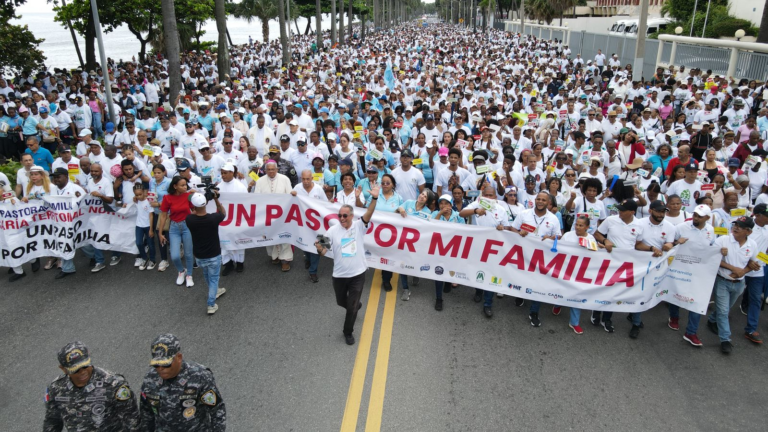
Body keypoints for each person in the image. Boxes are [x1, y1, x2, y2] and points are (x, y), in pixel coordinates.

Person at [315, 184, 379, 345]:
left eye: (345, 216)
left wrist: (375, 198)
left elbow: (369, 213)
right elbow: (323, 252)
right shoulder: (331, 231)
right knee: (341, 302)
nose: (342, 218)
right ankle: (356, 305)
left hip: (358, 274)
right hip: (339, 275)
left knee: (351, 307)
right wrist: (318, 248)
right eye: (340, 216)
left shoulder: (359, 226)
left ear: (351, 216)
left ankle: (348, 332)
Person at [44, 341, 140, 431]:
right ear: (63, 369)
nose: (83, 372)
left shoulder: (114, 385)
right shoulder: (56, 389)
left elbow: (132, 422)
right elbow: (52, 422)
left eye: (85, 366)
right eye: (76, 370)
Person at [139, 334, 226, 429]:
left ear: (179, 357)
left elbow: (217, 410)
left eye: (166, 365)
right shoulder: (150, 379)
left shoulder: (199, 376)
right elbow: (146, 414)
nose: (160, 369)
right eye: (156, 365)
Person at [707, 216, 760, 354]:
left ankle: (712, 319)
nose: (736, 228)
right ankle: (725, 340)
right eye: (735, 224)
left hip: (739, 284)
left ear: (748, 232)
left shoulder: (752, 244)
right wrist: (733, 268)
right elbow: (712, 258)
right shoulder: (723, 240)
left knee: (724, 308)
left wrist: (742, 271)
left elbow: (754, 264)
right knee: (724, 311)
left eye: (741, 227)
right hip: (722, 281)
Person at [458, 185, 512, 316]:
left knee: (491, 274)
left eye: (491, 196)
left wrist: (502, 227)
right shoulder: (476, 204)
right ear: (482, 196)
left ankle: (488, 303)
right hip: (477, 246)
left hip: (494, 248)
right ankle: (478, 290)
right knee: (478, 271)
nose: (488, 198)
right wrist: (476, 211)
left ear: (495, 197)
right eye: (486, 195)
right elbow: (461, 213)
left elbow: (508, 227)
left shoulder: (501, 209)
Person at [510, 191, 562, 326]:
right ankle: (520, 295)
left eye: (543, 200)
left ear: (548, 203)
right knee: (522, 277)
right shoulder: (524, 214)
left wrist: (551, 238)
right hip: (523, 253)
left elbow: (558, 236)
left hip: (542, 257)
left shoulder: (553, 218)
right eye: (538, 199)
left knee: (538, 283)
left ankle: (534, 312)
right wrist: (518, 232)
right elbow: (512, 229)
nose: (540, 201)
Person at [593, 199, 643, 332]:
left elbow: (638, 244)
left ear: (632, 212)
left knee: (614, 292)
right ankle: (596, 311)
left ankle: (607, 318)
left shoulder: (639, 225)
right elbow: (597, 233)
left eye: (623, 210)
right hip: (608, 260)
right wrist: (605, 240)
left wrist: (652, 249)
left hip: (625, 264)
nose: (619, 211)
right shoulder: (610, 220)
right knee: (602, 288)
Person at [672, 204, 716, 347]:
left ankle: (691, 332)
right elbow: (669, 244)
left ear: (707, 218)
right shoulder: (681, 227)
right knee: (675, 294)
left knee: (697, 300)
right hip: (680, 268)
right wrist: (676, 242)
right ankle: (674, 317)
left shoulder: (710, 230)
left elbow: (711, 248)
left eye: (700, 216)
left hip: (699, 271)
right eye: (695, 214)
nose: (696, 218)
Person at [632, 200, 676, 339]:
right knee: (640, 293)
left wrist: (669, 244)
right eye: (658, 211)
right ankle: (636, 323)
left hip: (658, 265)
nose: (661, 214)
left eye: (663, 212)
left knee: (647, 292)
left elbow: (669, 242)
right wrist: (651, 248)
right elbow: (637, 244)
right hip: (640, 262)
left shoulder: (669, 226)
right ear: (650, 210)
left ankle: (633, 315)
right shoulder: (640, 223)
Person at [186, 192, 228, 314]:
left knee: (207, 276)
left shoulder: (190, 219)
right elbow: (223, 213)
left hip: (199, 256)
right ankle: (211, 304)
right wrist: (215, 199)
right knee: (214, 278)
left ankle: (215, 291)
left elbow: (194, 213)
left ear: (193, 206)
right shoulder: (213, 218)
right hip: (214, 254)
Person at [559, 215, 601, 334]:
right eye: (576, 224)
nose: (578, 227)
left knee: (577, 295)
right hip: (565, 269)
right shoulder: (567, 235)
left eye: (581, 225)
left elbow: (594, 254)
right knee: (560, 290)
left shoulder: (591, 239)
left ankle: (574, 322)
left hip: (580, 272)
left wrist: (598, 248)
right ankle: (558, 304)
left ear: (587, 227)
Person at [253, 160, 294, 271]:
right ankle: (274, 256)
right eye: (268, 169)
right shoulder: (260, 181)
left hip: (282, 213)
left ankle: (285, 260)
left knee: (284, 236)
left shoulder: (284, 179)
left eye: (273, 169)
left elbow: (289, 194)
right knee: (268, 235)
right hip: (266, 214)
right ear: (265, 170)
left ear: (277, 169)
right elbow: (256, 197)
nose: (271, 171)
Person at [157, 175, 195, 287]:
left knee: (188, 254)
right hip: (173, 228)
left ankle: (189, 275)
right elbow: (163, 216)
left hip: (187, 225)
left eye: (185, 185)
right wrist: (160, 233)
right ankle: (181, 271)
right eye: (182, 185)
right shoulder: (167, 198)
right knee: (174, 256)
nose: (185, 187)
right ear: (175, 186)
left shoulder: (188, 196)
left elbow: (194, 210)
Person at [292, 169, 327, 282]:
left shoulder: (318, 189)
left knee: (316, 245)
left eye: (308, 179)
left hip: (317, 224)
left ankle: (313, 271)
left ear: (312, 178)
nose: (306, 181)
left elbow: (325, 204)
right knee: (305, 244)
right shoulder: (297, 188)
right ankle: (307, 258)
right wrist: (291, 195)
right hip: (302, 223)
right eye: (303, 179)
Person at [49, 167, 85, 279]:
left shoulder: (75, 188)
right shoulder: (53, 190)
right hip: (60, 224)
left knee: (83, 243)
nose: (56, 179)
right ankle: (68, 268)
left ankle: (93, 256)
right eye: (54, 177)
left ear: (66, 177)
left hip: (75, 222)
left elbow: (86, 204)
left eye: (59, 177)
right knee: (65, 243)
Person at [740, 203, 768, 344]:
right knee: (731, 298)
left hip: (758, 271)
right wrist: (750, 261)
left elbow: (766, 250)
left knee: (756, 299)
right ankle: (714, 319)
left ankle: (751, 329)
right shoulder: (748, 229)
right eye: (766, 215)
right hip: (741, 268)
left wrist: (762, 261)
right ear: (757, 216)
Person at [431, 194, 463, 311]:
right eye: (441, 203)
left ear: (451, 205)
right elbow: (430, 226)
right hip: (438, 248)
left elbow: (465, 231)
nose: (443, 206)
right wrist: (439, 213)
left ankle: (448, 281)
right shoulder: (435, 214)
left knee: (450, 268)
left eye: (446, 203)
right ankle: (439, 299)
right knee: (438, 271)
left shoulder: (458, 216)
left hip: (453, 248)